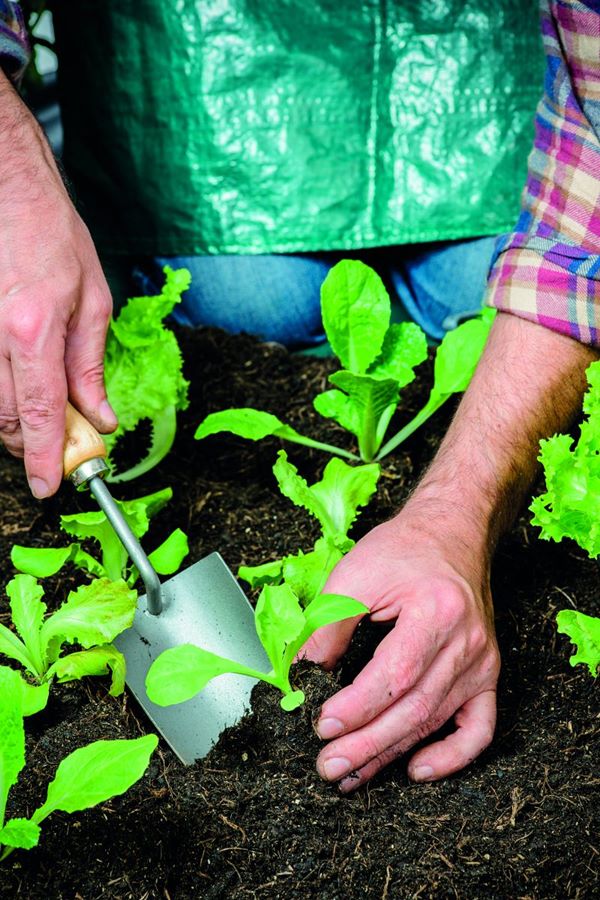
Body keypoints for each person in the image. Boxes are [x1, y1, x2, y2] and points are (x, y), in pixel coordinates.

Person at [0, 1, 595, 791]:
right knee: (256, 299)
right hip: (216, 75)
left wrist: (457, 516)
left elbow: (582, 222)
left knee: (466, 289)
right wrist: (12, 179)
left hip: (485, 89)